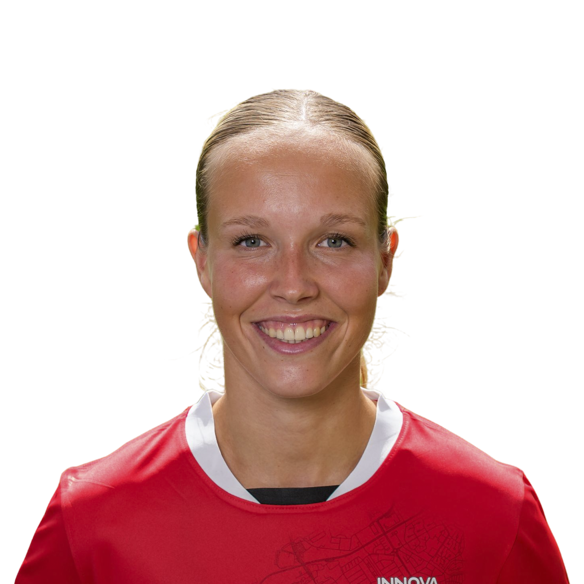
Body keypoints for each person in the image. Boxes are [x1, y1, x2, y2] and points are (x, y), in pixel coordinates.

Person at [14, 87, 571, 583]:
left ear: (386, 260)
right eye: (252, 241)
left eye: (334, 241)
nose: (294, 285)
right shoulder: (91, 516)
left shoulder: (495, 511)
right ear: (201, 261)